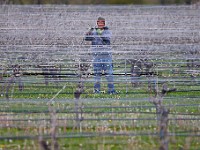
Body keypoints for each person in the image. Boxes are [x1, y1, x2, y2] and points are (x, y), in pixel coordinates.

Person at [84, 17, 116, 94]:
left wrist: (100, 34)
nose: (101, 24)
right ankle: (96, 91)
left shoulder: (107, 31)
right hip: (96, 57)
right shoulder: (94, 31)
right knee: (97, 75)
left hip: (106, 57)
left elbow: (107, 38)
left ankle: (111, 91)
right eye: (99, 22)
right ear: (97, 23)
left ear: (104, 24)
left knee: (109, 75)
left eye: (102, 22)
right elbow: (87, 39)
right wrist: (88, 34)